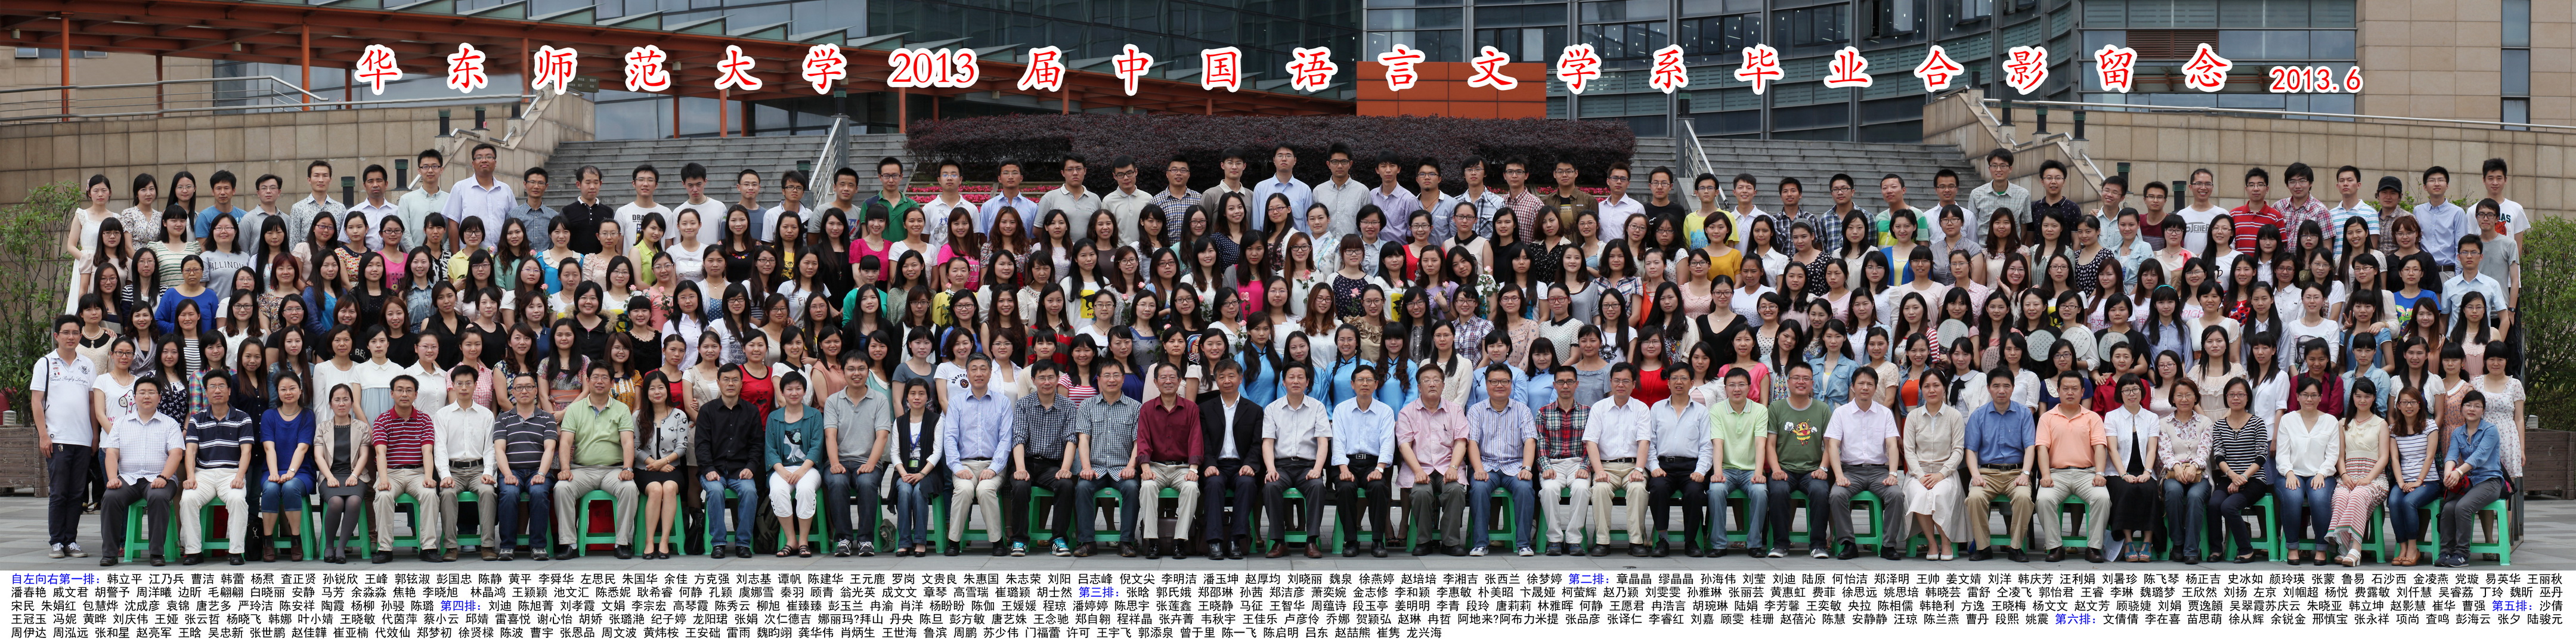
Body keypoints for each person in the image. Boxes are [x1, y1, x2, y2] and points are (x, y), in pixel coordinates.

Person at [552, 363, 639, 560]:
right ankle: (569, 544)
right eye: (596, 377)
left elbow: (628, 442)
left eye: (605, 378)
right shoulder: (575, 409)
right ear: (588, 381)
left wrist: (628, 468)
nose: (600, 381)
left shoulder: (622, 409)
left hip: (613, 471)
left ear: (612, 383)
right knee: (562, 488)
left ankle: (622, 543)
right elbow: (565, 442)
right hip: (582, 470)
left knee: (629, 488)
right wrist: (565, 469)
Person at [1820, 368, 1908, 559]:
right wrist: (1839, 476)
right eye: (1861, 383)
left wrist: (1893, 474)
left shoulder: (1884, 413)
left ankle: (1888, 545)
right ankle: (1848, 543)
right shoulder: (1841, 413)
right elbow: (1833, 446)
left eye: (1870, 384)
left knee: (1896, 495)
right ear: (1853, 386)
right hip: (1850, 471)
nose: (1865, 388)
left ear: (1876, 388)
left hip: (1879, 472)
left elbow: (1892, 446)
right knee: (1836, 495)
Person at [98, 378, 182, 567]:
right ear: (134, 397)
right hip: (129, 479)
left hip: (160, 478)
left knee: (159, 497)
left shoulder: (170, 424)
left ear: (159, 398)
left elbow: (176, 454)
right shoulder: (121, 423)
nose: (147, 396)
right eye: (142, 392)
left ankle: (157, 553)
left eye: (152, 392)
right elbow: (111, 453)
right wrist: (112, 478)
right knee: (110, 497)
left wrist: (163, 477)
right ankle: (110, 553)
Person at [939, 354, 1015, 556]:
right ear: (967, 373)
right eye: (974, 369)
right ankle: (954, 541)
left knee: (985, 490)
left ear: (990, 373)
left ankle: (997, 542)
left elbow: (1006, 440)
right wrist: (957, 467)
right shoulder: (956, 403)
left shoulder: (1002, 402)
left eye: (983, 369)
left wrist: (994, 468)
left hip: (993, 465)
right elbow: (950, 438)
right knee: (963, 490)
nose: (979, 373)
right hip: (965, 465)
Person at [35, 316, 98, 559]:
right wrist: (43, 435)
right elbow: (36, 401)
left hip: (82, 439)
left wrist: (94, 435)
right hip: (57, 438)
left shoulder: (87, 365)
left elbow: (92, 403)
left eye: (75, 333)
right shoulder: (45, 363)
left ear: (80, 336)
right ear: (56, 336)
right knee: (59, 492)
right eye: (66, 333)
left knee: (76, 493)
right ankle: (56, 541)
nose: (71, 337)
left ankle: (71, 540)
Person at [177, 370, 255, 565]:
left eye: (221, 386)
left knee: (238, 500)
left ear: (229, 391)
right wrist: (190, 476)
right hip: (203, 475)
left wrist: (240, 476)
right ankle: (194, 551)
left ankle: (236, 552)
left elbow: (246, 452)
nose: (217, 390)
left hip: (231, 474)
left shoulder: (243, 418)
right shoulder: (197, 419)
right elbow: (191, 451)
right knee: (187, 499)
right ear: (206, 392)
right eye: (212, 387)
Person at [2033, 371, 2112, 563]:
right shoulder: (2047, 418)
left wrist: (2100, 473)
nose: (2070, 392)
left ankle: (2094, 547)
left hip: (2087, 474)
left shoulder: (2093, 417)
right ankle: (2055, 546)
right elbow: (2042, 448)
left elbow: (2100, 447)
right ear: (2058, 391)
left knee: (2102, 498)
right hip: (2056, 474)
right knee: (2043, 500)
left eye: (2075, 389)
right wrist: (2045, 475)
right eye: (2066, 389)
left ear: (2083, 392)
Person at [1960, 368, 2038, 561]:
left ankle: (2016, 547)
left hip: (2016, 474)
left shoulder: (2024, 413)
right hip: (1987, 474)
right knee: (1974, 498)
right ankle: (1983, 547)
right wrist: (1975, 475)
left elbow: (2030, 447)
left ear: (2013, 388)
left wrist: (2026, 474)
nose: (2001, 390)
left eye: (2006, 386)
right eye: (1996, 386)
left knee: (2024, 498)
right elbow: (1971, 450)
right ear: (1988, 388)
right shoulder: (1979, 415)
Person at [1394, 363, 1471, 556]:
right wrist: (1418, 471)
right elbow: (1404, 446)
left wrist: (1454, 467)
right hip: (1419, 468)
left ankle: (1451, 542)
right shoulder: (1407, 413)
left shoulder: (1455, 410)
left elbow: (1461, 442)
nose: (1432, 384)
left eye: (1437, 380)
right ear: (1419, 387)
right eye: (1426, 381)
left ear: (1443, 386)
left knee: (1455, 491)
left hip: (1448, 467)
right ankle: (1424, 541)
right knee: (1421, 493)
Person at [1002, 359, 1078, 557]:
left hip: (1051, 466)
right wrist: (1020, 468)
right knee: (1020, 486)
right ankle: (1019, 540)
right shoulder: (1024, 404)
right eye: (1042, 378)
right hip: (1026, 461)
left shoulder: (1068, 406)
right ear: (1034, 380)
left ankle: (1058, 539)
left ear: (1058, 379)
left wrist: (1065, 468)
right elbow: (1018, 438)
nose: (1047, 382)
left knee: (1066, 484)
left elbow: (1071, 439)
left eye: (1051, 377)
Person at [823, 351, 894, 557]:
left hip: (868, 461)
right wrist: (834, 463)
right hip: (839, 461)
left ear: (868, 371)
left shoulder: (880, 400)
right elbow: (830, 435)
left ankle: (866, 540)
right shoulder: (833, 401)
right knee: (837, 482)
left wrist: (871, 463)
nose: (857, 373)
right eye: (851, 369)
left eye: (862, 369)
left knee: (866, 482)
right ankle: (844, 539)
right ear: (843, 372)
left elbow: (882, 436)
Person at [1070, 360, 1143, 557]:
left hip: (1122, 468)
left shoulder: (1135, 407)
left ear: (1123, 378)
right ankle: (1087, 542)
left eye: (1116, 375)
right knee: (1083, 488)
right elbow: (1083, 439)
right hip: (1096, 468)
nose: (1112, 380)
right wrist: (1086, 467)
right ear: (1099, 379)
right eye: (1107, 376)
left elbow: (1138, 443)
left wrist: (1131, 466)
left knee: (1132, 488)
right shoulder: (1087, 405)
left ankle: (1126, 542)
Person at [369, 374, 444, 564]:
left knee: (430, 494)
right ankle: (385, 548)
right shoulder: (382, 420)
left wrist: (429, 477)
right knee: (383, 496)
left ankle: (428, 547)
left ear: (416, 394)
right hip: (391, 473)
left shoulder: (424, 420)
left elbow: (428, 451)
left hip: (417, 473)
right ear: (392, 393)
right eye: (400, 390)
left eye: (409, 390)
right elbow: (380, 453)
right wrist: (383, 480)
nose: (404, 394)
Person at [1581, 363, 1653, 558]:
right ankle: (1602, 541)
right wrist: (1599, 471)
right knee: (1599, 490)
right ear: (1611, 382)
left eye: (1626, 381)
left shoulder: (1641, 408)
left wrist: (1639, 469)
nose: (1621, 385)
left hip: (1632, 466)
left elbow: (1644, 442)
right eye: (1617, 381)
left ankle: (1636, 541)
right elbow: (1591, 442)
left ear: (1634, 384)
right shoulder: (1599, 408)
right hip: (1606, 467)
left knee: (1638, 489)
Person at [1132, 363, 1203, 559]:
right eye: (1163, 378)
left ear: (1180, 381)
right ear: (1156, 382)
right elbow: (1143, 439)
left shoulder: (1191, 408)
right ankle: (1152, 540)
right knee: (1147, 487)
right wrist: (1145, 468)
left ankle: (1180, 541)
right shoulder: (1147, 409)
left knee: (1191, 488)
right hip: (1156, 466)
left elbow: (1196, 439)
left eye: (1173, 377)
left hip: (1182, 467)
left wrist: (1194, 469)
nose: (1168, 381)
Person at [693, 363, 763, 559]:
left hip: (740, 470)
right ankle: (718, 543)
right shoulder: (707, 411)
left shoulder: (751, 411)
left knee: (750, 491)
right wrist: (708, 468)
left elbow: (757, 445)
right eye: (726, 379)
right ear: (718, 383)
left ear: (741, 383)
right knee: (715, 491)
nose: (730, 384)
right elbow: (701, 444)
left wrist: (751, 467)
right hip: (713, 469)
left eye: (735, 380)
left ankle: (743, 543)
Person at [1198, 360, 1265, 559]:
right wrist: (1209, 464)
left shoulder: (1254, 410)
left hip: (1241, 465)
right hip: (1216, 465)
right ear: (1216, 380)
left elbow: (1257, 444)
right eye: (1222, 377)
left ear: (1240, 378)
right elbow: (1203, 442)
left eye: (1231, 376)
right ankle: (1214, 542)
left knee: (1247, 483)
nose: (1227, 381)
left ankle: (1237, 539)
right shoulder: (1205, 408)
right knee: (1213, 484)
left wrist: (1250, 465)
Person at [429, 366, 497, 561]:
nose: (464, 387)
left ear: (476, 385)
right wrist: (445, 476)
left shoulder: (486, 415)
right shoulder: (443, 415)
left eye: (468, 383)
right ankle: (451, 546)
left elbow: (490, 448)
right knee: (447, 493)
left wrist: (488, 472)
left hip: (478, 470)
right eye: (459, 383)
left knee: (488, 492)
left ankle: (488, 545)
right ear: (453, 386)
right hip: (453, 471)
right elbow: (440, 448)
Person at [1701, 365, 1770, 557]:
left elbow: (1760, 444)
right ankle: (1718, 544)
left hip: (1751, 470)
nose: (1737, 389)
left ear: (1749, 387)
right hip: (1727, 469)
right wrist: (1717, 472)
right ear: (1725, 388)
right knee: (1715, 490)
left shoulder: (1760, 410)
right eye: (1732, 385)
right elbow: (1718, 443)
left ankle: (1754, 544)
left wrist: (1759, 473)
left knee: (1760, 492)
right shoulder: (1717, 410)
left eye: (1741, 384)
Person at [1640, 364, 1709, 557]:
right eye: (1675, 378)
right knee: (1658, 489)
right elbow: (1650, 442)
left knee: (1695, 492)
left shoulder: (1701, 411)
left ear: (1692, 383)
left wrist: (1701, 471)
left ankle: (1691, 541)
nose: (1679, 382)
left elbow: (1707, 445)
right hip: (1664, 466)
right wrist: (1653, 467)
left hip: (1691, 467)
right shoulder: (1657, 409)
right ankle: (1662, 540)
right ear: (1668, 383)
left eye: (1684, 378)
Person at [1330, 364, 1398, 557]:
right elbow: (1338, 443)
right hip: (1348, 463)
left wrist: (1380, 469)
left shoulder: (1385, 411)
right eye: (1360, 380)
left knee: (1379, 487)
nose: (1365, 384)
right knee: (1345, 488)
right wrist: (1343, 469)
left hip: (1373, 464)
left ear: (1376, 384)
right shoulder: (1341, 410)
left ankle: (1377, 541)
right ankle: (1351, 541)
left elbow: (1388, 443)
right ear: (1353, 384)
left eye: (1369, 380)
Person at [2273, 375, 2341, 565]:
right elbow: (2282, 453)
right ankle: (2293, 546)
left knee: (2319, 499)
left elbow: (2333, 454)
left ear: (2321, 398)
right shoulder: (2288, 420)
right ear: (2297, 396)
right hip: (2290, 473)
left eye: (2314, 395)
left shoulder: (2330, 421)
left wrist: (2322, 473)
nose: (2309, 399)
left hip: (2321, 474)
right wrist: (2289, 473)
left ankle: (2321, 548)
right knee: (2293, 497)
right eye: (2305, 395)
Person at [2434, 391, 2504, 568]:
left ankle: (2462, 554)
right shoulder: (2458, 433)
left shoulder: (2490, 430)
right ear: (2462, 408)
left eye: (2477, 406)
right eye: (2468, 405)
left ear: (2483, 410)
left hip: (2489, 481)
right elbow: (2452, 455)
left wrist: (2458, 472)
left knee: (2463, 507)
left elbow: (2479, 457)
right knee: (2449, 507)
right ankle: (2446, 551)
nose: (2472, 409)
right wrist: (2448, 475)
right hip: (2469, 483)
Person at [1903, 368, 1968, 561]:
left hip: (1945, 474)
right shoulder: (1913, 417)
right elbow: (1909, 451)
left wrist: (1942, 474)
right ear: (1922, 390)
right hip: (1919, 474)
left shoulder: (1954, 416)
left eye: (1936, 385)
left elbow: (1958, 451)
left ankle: (1946, 542)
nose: (1932, 390)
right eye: (1927, 386)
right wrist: (1920, 475)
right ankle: (1932, 542)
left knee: (1939, 494)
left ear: (1944, 388)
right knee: (1920, 494)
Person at [493, 372, 557, 561]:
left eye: (529, 387)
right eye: (519, 387)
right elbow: (499, 450)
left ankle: (538, 546)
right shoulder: (503, 419)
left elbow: (550, 448)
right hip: (512, 471)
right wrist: (507, 474)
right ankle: (507, 546)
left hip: (538, 470)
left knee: (539, 492)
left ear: (536, 391)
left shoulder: (547, 418)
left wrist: (542, 473)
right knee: (509, 493)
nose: (524, 391)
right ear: (513, 392)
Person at [2326, 380, 2391, 566]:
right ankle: (2343, 548)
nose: (2363, 400)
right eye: (2359, 396)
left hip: (2375, 479)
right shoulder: (2343, 424)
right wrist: (2344, 475)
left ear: (2374, 398)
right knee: (2340, 497)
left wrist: (2368, 479)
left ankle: (2356, 548)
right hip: (2348, 477)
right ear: (2352, 397)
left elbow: (2384, 457)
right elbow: (2340, 456)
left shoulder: (2381, 424)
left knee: (2358, 495)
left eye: (2367, 396)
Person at [2209, 377, 2273, 563]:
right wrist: (2232, 475)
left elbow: (2262, 455)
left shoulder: (2257, 422)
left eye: (2240, 394)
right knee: (2214, 504)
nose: (2236, 398)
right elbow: (2219, 455)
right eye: (2231, 395)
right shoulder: (2219, 425)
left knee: (2229, 506)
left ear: (2248, 398)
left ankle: (2247, 550)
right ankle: (2216, 549)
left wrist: (2243, 477)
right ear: (2226, 397)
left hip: (2254, 479)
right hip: (2228, 477)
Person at [2100, 374, 2162, 562]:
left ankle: (2148, 541)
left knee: (2149, 489)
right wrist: (2124, 474)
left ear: (2142, 392)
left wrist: (2147, 472)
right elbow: (2112, 449)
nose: (2132, 394)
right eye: (2126, 390)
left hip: (2144, 469)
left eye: (2135, 389)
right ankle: (2128, 541)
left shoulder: (2151, 417)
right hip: (2118, 471)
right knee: (2125, 489)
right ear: (2120, 393)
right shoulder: (2112, 417)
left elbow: (2152, 448)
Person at [255, 374, 314, 562]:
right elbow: (269, 447)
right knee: (270, 488)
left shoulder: (307, 415)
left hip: (301, 472)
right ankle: (268, 540)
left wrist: (291, 472)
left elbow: (302, 448)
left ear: (300, 391)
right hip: (272, 470)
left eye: (292, 388)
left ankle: (295, 539)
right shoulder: (269, 416)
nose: (288, 392)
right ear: (278, 393)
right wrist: (274, 473)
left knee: (290, 487)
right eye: (283, 389)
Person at [766, 373, 825, 558]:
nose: (794, 393)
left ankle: (804, 541)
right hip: (781, 469)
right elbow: (770, 449)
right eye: (789, 389)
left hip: (808, 468)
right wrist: (782, 471)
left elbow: (816, 447)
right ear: (782, 392)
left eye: (798, 389)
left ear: (805, 391)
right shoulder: (774, 417)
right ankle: (791, 540)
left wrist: (801, 471)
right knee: (778, 491)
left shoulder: (814, 415)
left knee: (806, 490)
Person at [887, 377, 946, 557]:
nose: (917, 397)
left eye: (921, 393)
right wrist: (903, 473)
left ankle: (920, 541)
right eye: (913, 393)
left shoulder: (936, 420)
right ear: (907, 397)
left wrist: (922, 473)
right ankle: (904, 542)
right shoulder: (899, 422)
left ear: (928, 397)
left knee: (920, 490)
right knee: (905, 490)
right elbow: (894, 453)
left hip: (928, 472)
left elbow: (937, 452)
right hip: (904, 472)